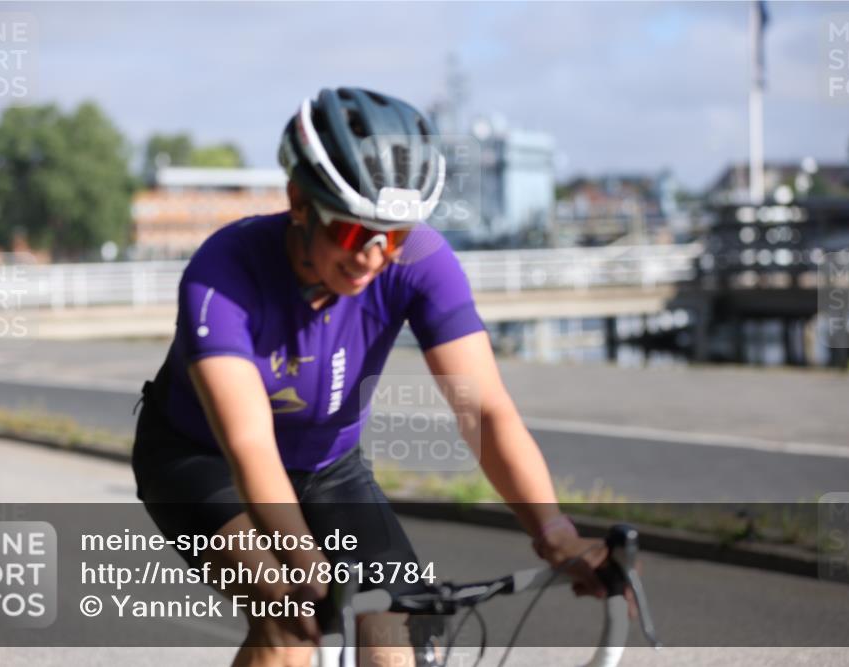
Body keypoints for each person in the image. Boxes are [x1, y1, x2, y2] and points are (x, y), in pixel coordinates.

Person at [131, 87, 609, 667]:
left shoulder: (421, 263)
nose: (373, 255)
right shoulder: (223, 274)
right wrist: (308, 571)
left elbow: (485, 412)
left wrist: (553, 530)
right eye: (355, 232)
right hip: (199, 460)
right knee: (288, 624)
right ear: (299, 202)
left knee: (392, 636)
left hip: (329, 466)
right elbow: (249, 446)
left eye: (395, 236)